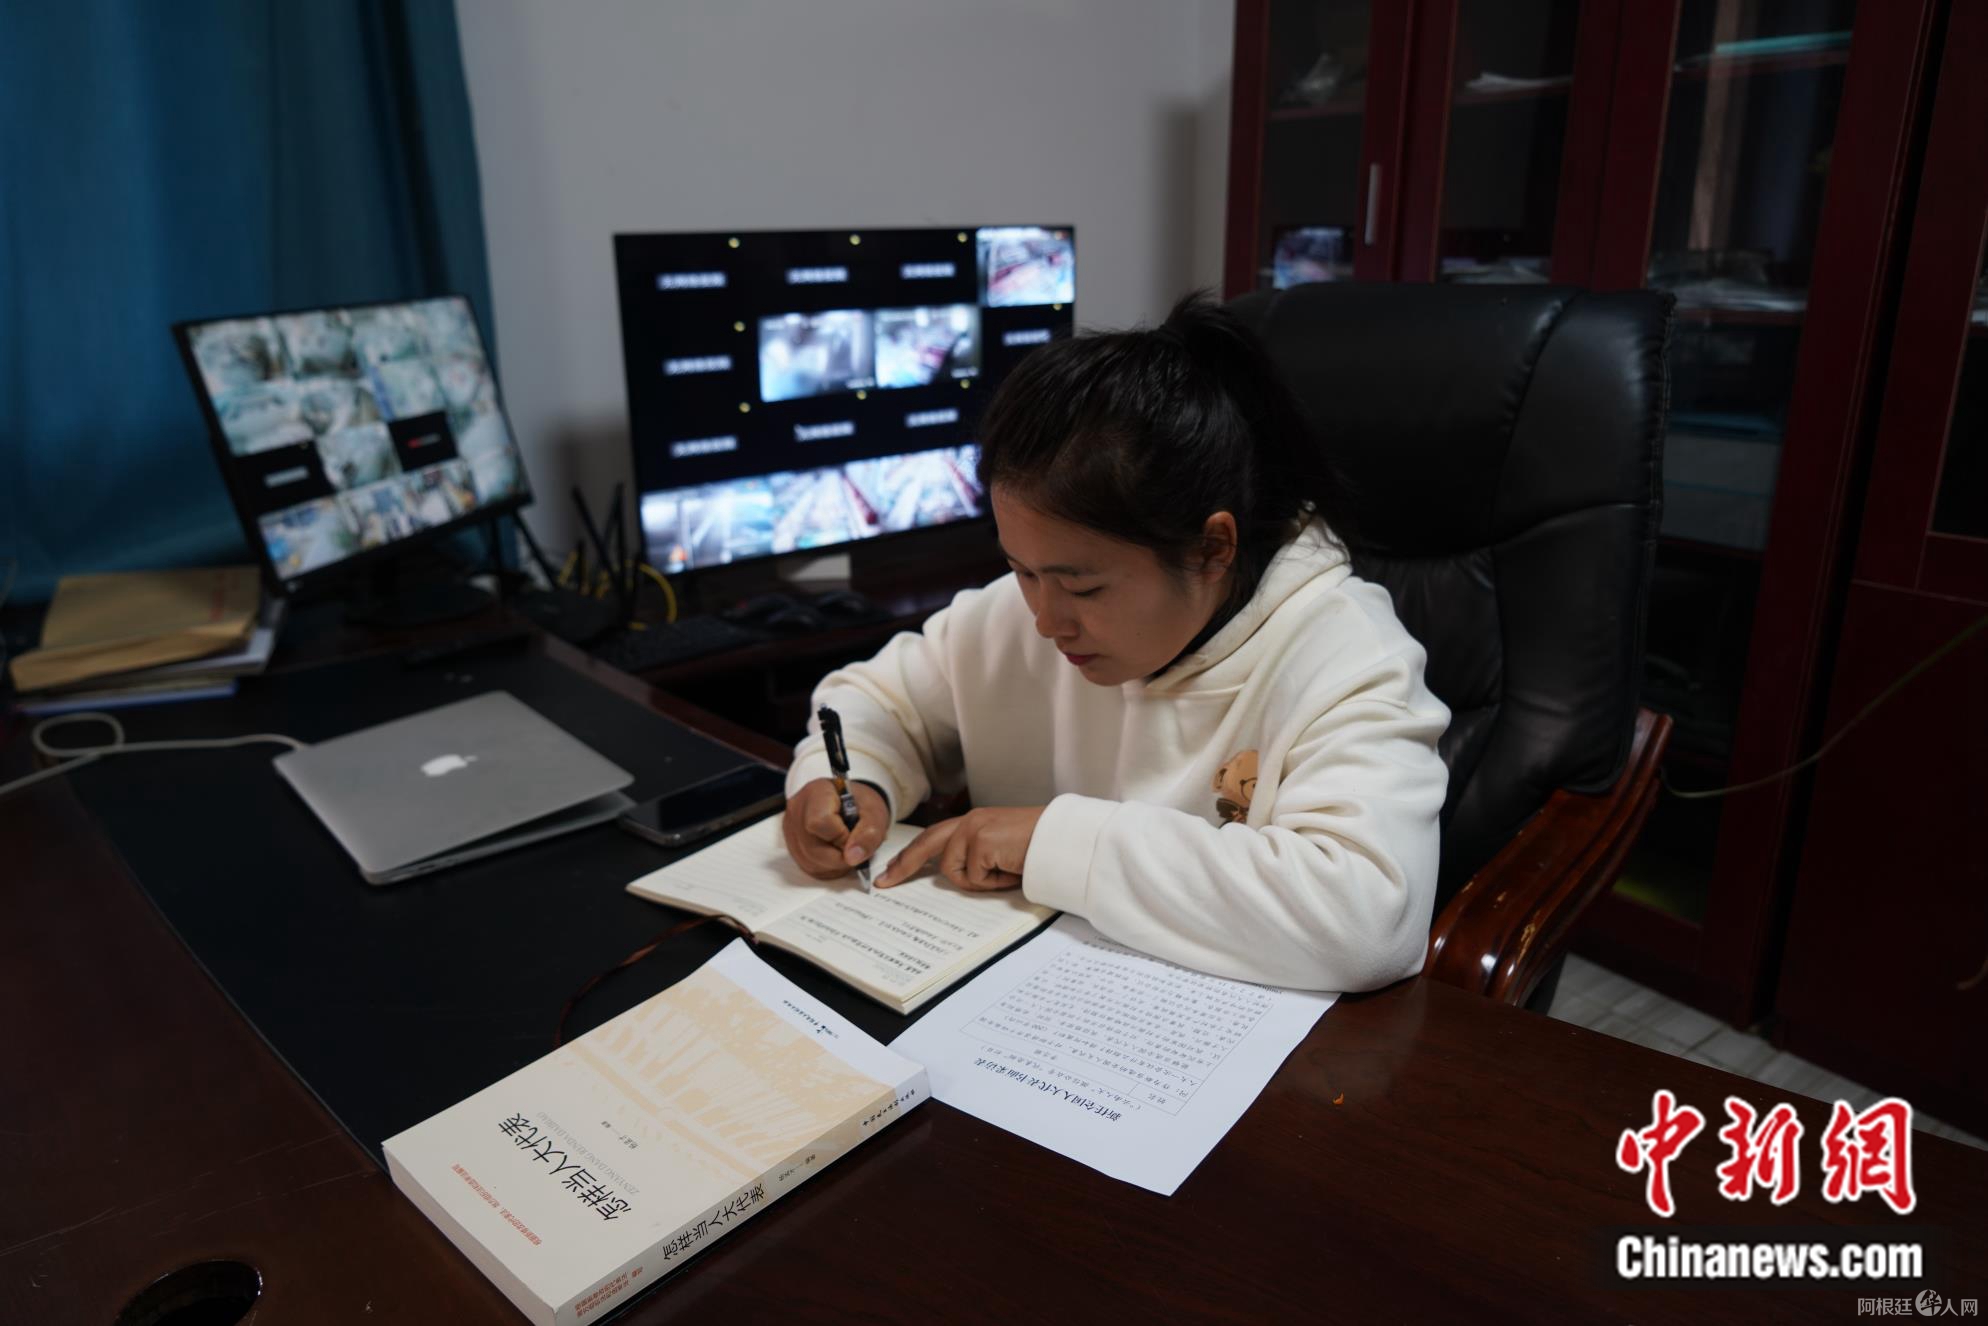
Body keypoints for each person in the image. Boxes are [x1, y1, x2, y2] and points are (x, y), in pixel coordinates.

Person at [780, 293, 1450, 991]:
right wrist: (850, 780)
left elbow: (1366, 922)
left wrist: (1055, 843)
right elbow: (873, 702)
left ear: (1212, 549)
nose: (1046, 620)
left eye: (1084, 587)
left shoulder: (1344, 656)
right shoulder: (1022, 613)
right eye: (1022, 570)